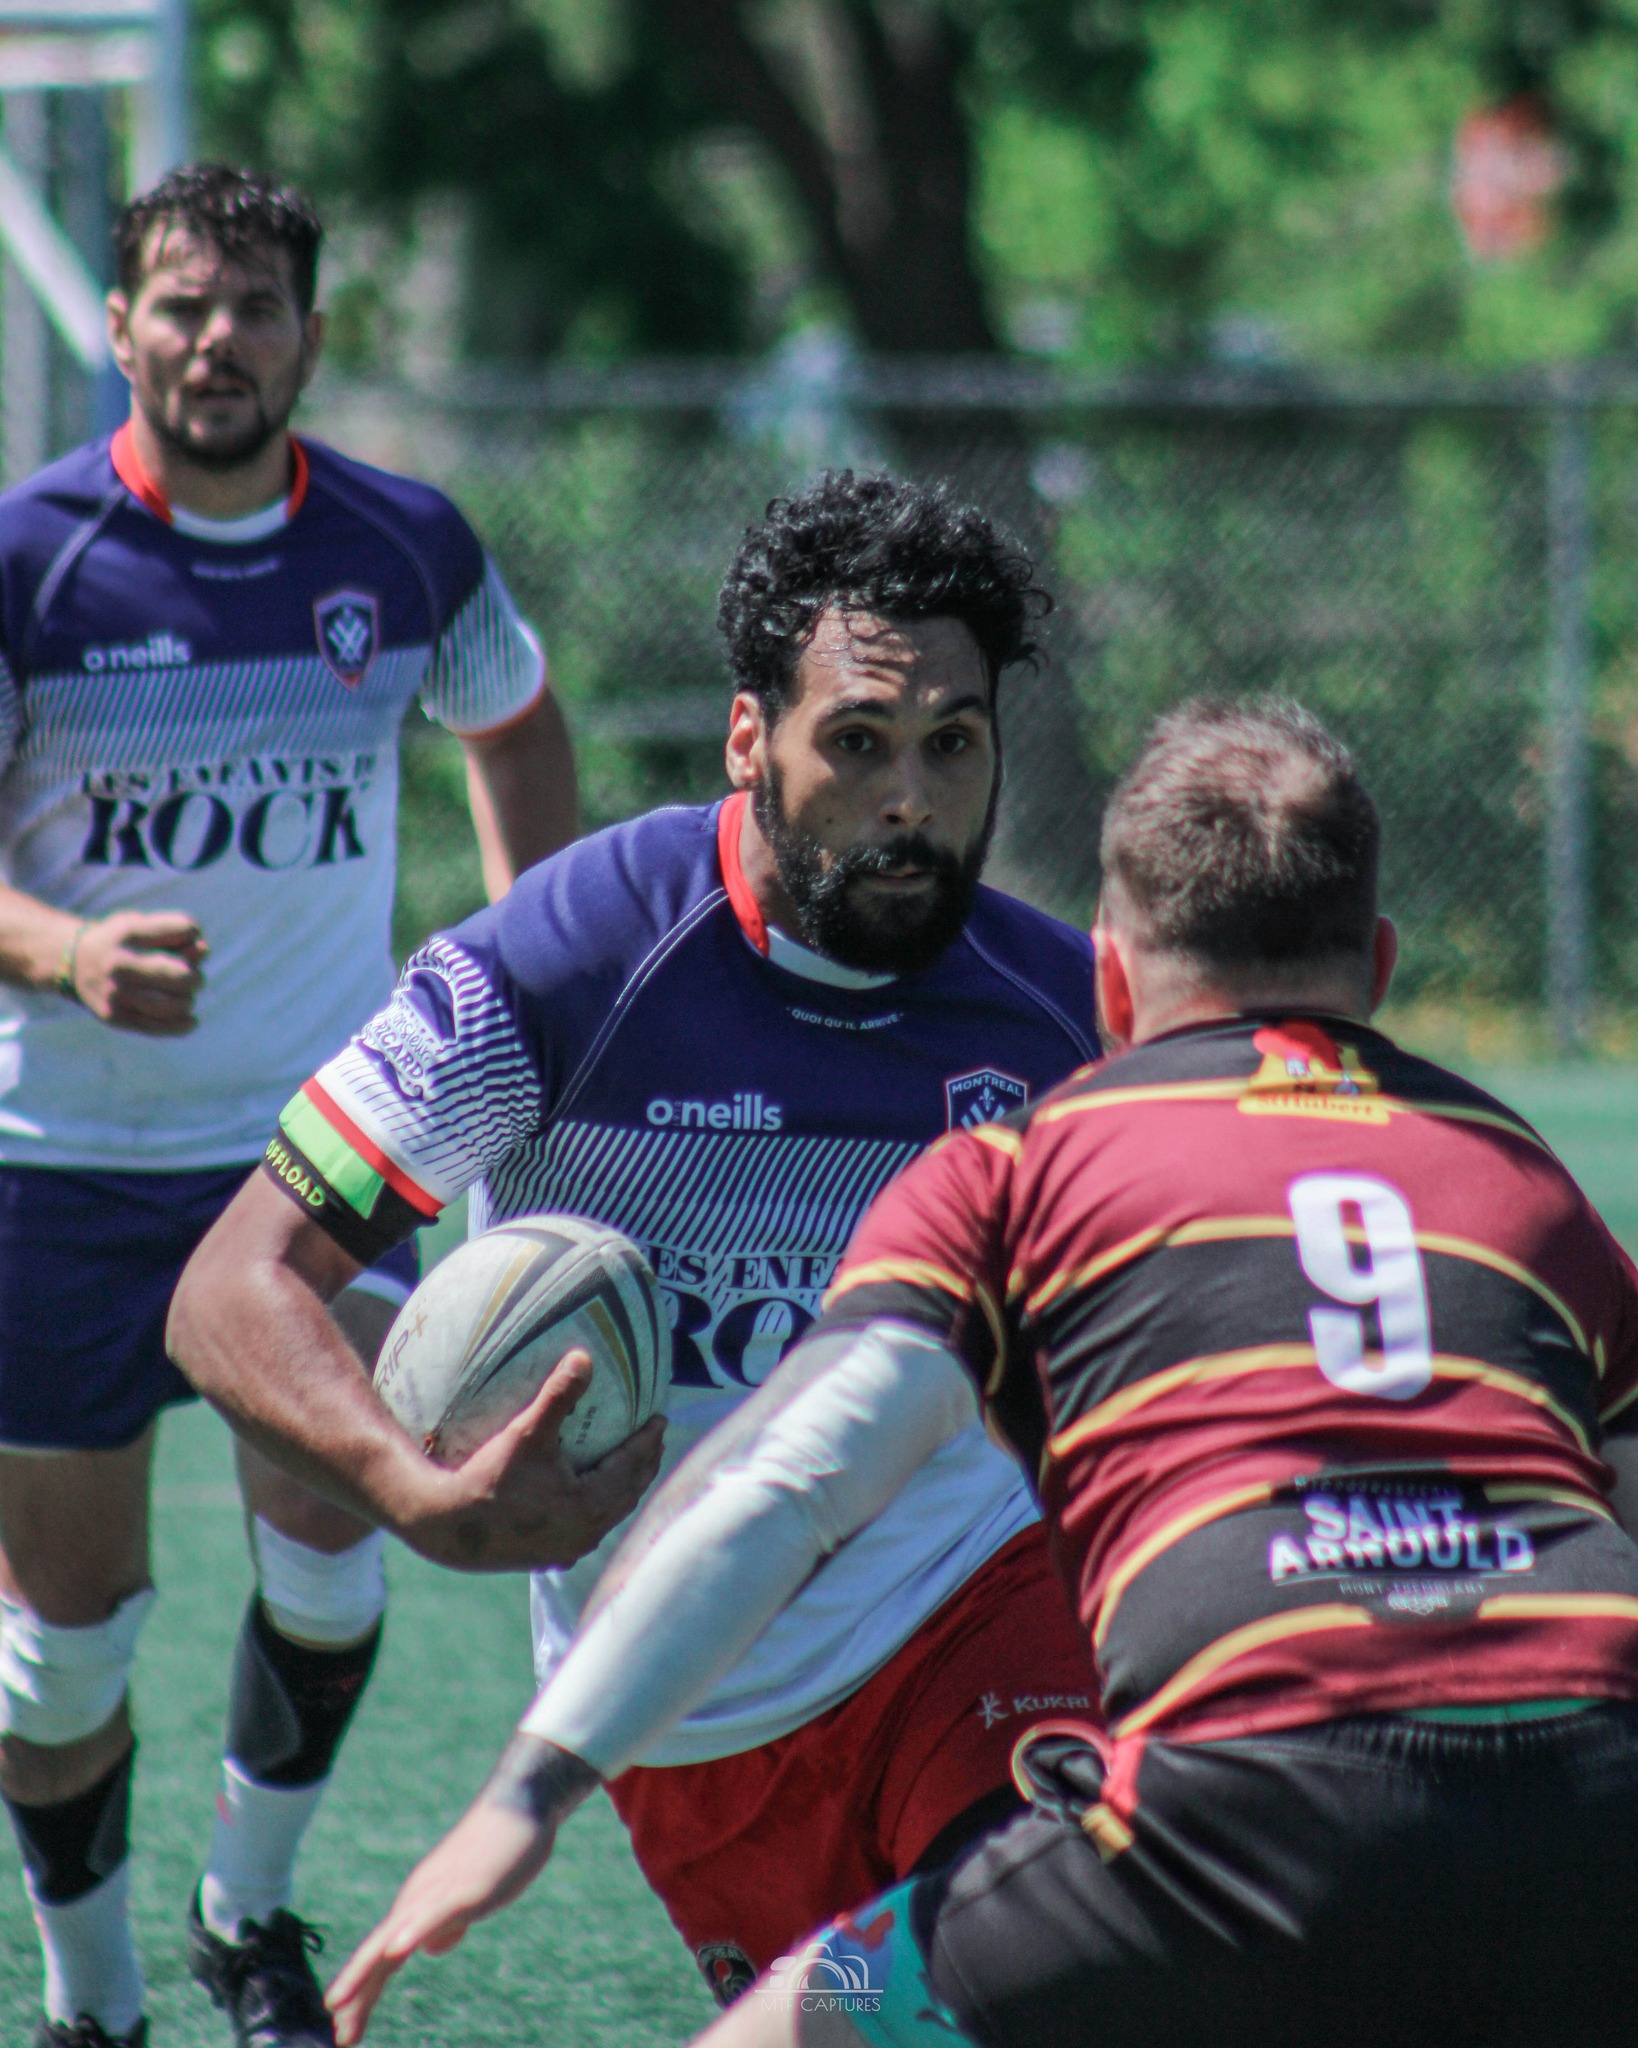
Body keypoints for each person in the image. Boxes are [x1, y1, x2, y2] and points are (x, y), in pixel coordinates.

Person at [329, 697, 1638, 2048]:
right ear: (1376, 961)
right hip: (1601, 1783)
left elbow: (789, 1482)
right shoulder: (1517, 1173)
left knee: (787, 2030)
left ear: (1111, 985)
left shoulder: (1017, 1170)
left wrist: (526, 1797)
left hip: (1235, 1812)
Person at [168, 469, 1104, 2011]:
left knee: (1043, 1977)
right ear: (749, 740)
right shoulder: (562, 964)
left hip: (976, 1600)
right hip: (688, 1702)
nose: (911, 803)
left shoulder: (1068, 1016)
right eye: (856, 744)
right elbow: (230, 1287)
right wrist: (416, 1491)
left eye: (954, 746)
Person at [0, 162, 632, 2048]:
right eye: (182, 309)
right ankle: (93, 2003)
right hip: (57, 1173)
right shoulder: (29, 559)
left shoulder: (405, 547)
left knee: (339, 1563)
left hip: (312, 1171)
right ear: (119, 331)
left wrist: (533, 968)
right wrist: (60, 956)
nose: (218, 342)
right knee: (58, 1656)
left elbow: (509, 719)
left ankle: (244, 1920)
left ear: (310, 337)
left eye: (255, 308)